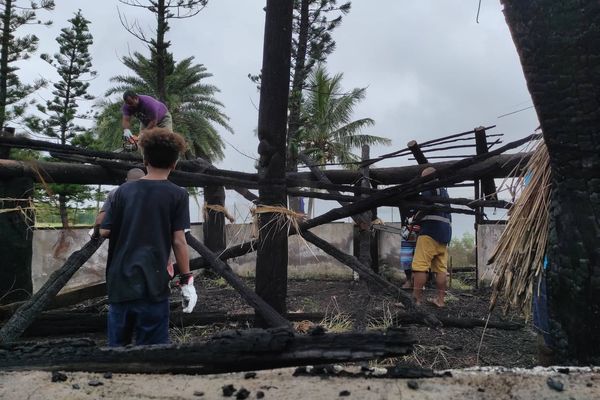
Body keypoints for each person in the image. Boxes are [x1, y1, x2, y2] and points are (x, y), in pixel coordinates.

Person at [100, 128, 197, 346]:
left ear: (144, 159)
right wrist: (186, 281)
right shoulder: (178, 195)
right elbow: (179, 240)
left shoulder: (122, 192)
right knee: (154, 350)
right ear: (174, 163)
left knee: (117, 349)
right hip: (154, 284)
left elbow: (104, 230)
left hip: (120, 283)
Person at [411, 167, 452, 307]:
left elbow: (424, 208)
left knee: (420, 267)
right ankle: (440, 300)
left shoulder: (429, 189)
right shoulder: (445, 193)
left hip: (429, 232)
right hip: (444, 234)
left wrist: (414, 219)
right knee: (441, 269)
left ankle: (415, 300)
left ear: (428, 178)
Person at [90, 168, 145, 238]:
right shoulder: (152, 193)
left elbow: (99, 221)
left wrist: (95, 235)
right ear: (145, 179)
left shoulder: (115, 192)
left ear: (126, 180)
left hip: (120, 243)